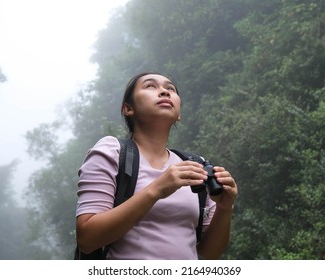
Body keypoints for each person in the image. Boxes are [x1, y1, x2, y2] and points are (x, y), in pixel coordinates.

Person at [75, 72, 238, 259]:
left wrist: (225, 209)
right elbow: (87, 239)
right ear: (128, 108)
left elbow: (208, 255)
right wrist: (157, 189)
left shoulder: (196, 165)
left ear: (179, 115)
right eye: (150, 86)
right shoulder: (113, 152)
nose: (164, 92)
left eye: (171, 89)